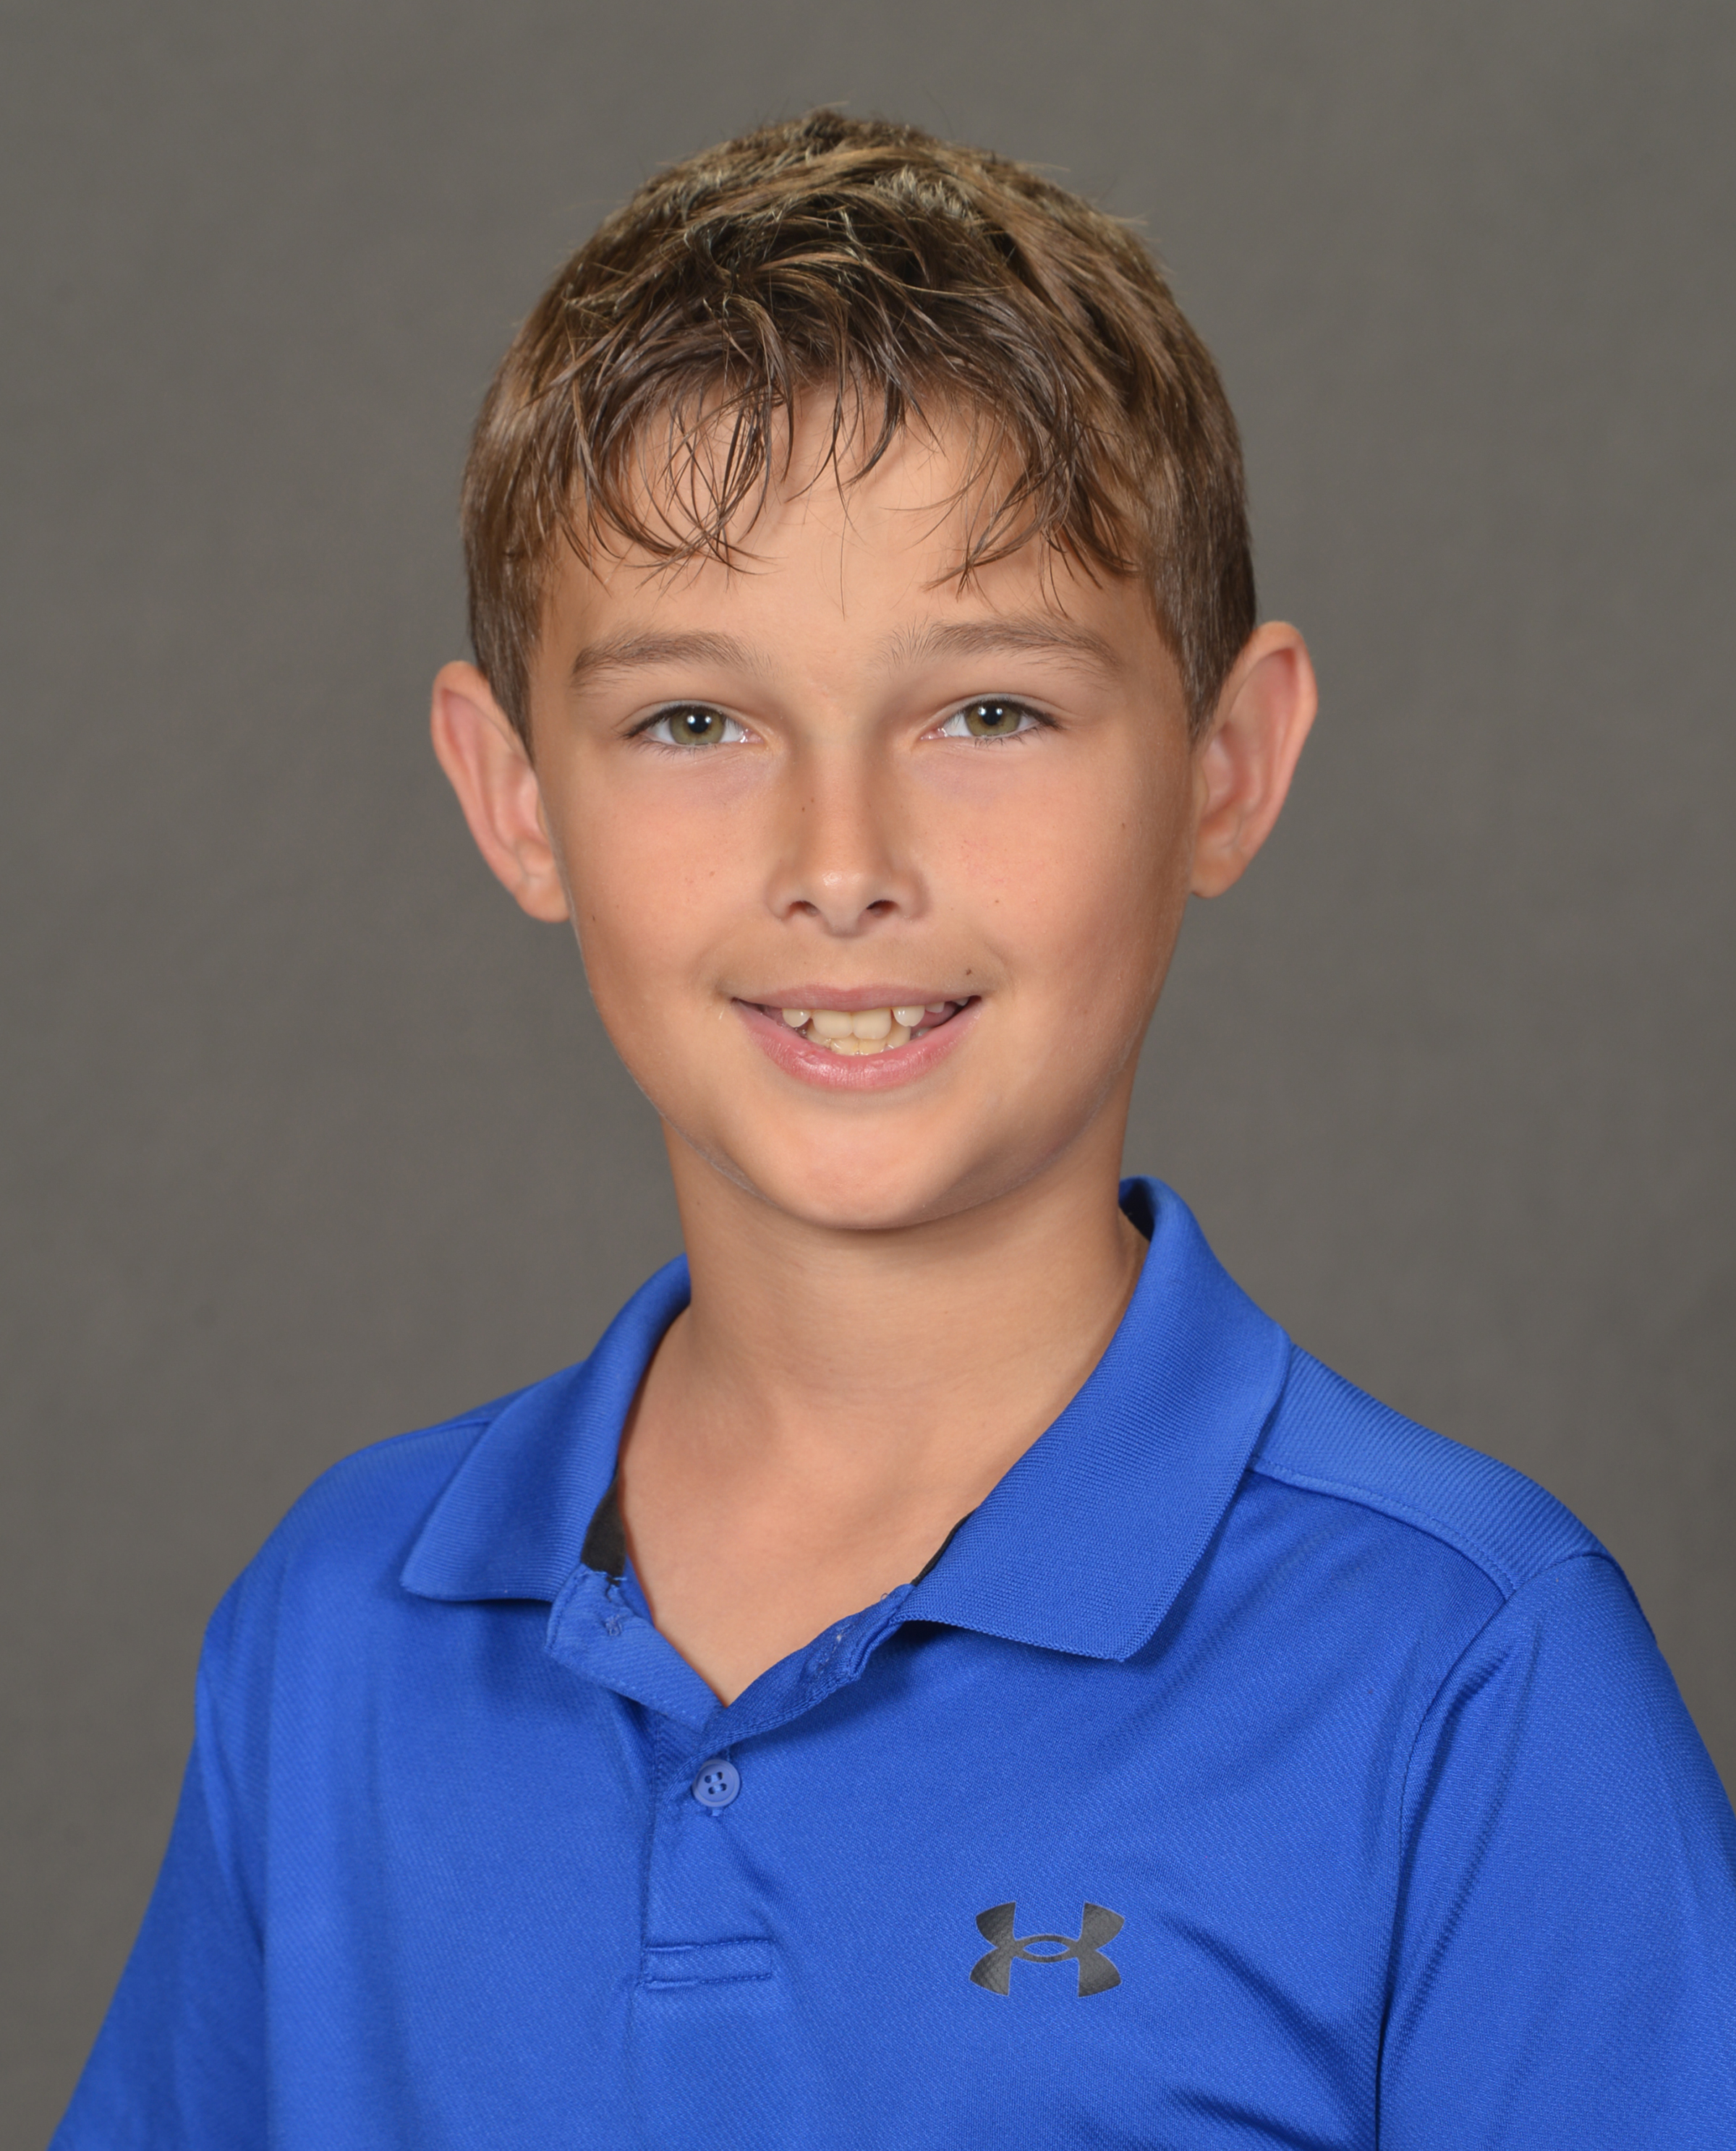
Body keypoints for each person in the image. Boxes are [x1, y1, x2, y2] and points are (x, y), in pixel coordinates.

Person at [54, 110, 1736, 2149]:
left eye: (988, 712)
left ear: (1227, 765)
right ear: (514, 799)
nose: (840, 862)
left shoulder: (1464, 1671)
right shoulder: (336, 1632)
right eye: (693, 721)